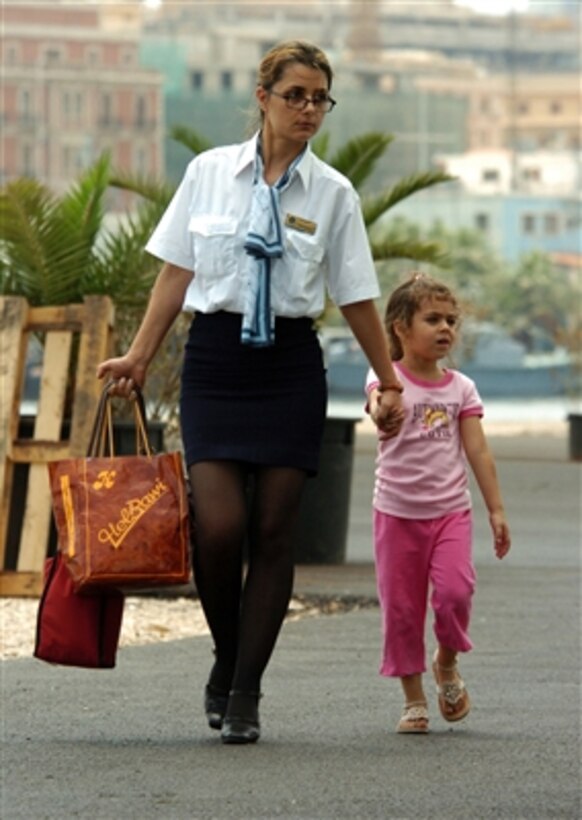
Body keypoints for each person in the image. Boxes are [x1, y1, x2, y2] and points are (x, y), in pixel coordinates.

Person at [97, 39, 404, 745]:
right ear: (262, 98)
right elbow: (176, 271)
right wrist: (140, 355)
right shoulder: (208, 174)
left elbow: (357, 296)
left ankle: (245, 691)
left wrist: (389, 380)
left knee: (272, 531)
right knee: (221, 525)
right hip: (216, 361)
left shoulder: (334, 193)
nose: (309, 110)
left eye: (320, 98)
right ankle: (225, 654)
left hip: (291, 368)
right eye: (295, 95)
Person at [366, 273, 511, 734]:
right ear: (400, 328)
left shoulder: (461, 388)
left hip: (450, 512)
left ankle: (446, 663)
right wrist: (382, 409)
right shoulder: (386, 377)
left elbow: (478, 451)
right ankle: (413, 700)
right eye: (432, 319)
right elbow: (376, 403)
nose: (446, 328)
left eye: (451, 320)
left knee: (455, 594)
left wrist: (496, 509)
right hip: (395, 513)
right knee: (403, 609)